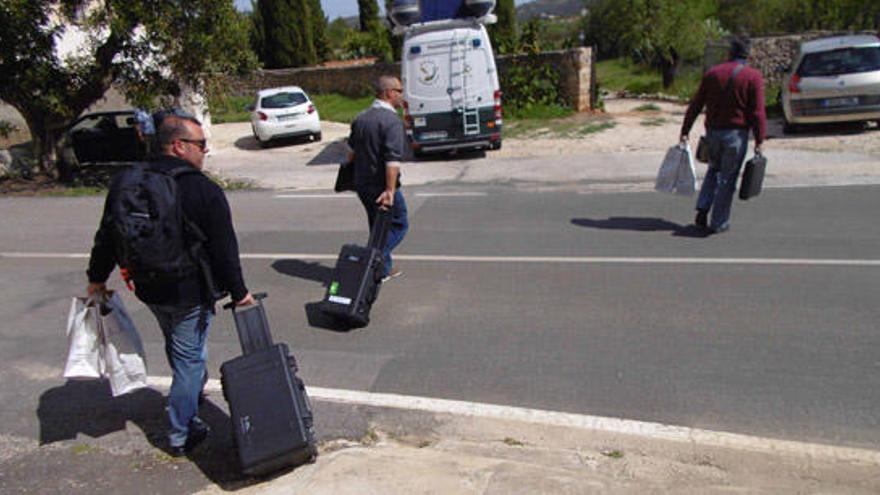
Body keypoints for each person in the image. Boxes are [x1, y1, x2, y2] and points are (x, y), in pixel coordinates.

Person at [86, 114, 254, 456]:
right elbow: (224, 250)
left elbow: (107, 234)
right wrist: (240, 294)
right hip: (187, 290)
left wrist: (96, 277)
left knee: (178, 346)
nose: (205, 152)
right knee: (191, 359)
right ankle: (180, 432)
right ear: (178, 146)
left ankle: (186, 399)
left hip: (147, 287)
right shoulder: (201, 188)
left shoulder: (127, 181)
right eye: (201, 145)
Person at [680, 36, 767, 234]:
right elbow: (757, 112)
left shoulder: (712, 74)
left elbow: (696, 104)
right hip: (735, 135)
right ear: (748, 53)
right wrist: (760, 138)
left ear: (729, 52)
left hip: (713, 133)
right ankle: (719, 222)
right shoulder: (752, 77)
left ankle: (703, 208)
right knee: (727, 179)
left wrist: (685, 130)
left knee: (713, 169)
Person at [347, 75, 409, 281]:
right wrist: (390, 190)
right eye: (399, 91)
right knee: (399, 223)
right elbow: (392, 160)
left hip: (362, 184)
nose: (402, 95)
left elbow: (351, 152)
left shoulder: (360, 118)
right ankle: (372, 260)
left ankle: (382, 270)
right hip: (382, 186)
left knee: (377, 226)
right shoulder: (391, 121)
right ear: (389, 93)